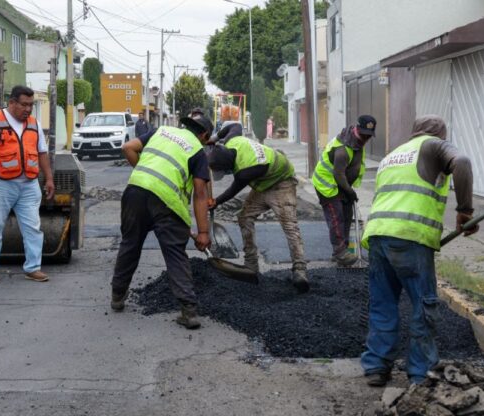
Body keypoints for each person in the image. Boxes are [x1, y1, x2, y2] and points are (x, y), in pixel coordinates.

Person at [360, 115, 477, 387]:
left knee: (383, 303)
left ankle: (377, 367)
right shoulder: (433, 146)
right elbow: (462, 162)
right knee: (423, 306)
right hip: (410, 237)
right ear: (439, 134)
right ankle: (420, 372)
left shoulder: (393, 155)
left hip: (378, 235)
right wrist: (465, 211)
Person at [110, 113, 213, 330]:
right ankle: (189, 311)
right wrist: (203, 231)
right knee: (175, 253)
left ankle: (117, 296)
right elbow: (200, 194)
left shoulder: (161, 131)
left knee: (130, 244)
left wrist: (145, 176)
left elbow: (128, 148)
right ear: (204, 135)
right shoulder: (197, 150)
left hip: (136, 191)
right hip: (167, 203)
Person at [207, 122, 308, 293]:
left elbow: (233, 190)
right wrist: (214, 139)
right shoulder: (233, 140)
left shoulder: (246, 170)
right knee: (244, 217)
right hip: (263, 183)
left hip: (281, 183)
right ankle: (251, 264)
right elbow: (235, 125)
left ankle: (300, 270)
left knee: (289, 226)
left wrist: (216, 201)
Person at [0, 86, 55, 284]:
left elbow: (42, 153)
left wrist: (48, 179)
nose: (28, 109)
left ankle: (33, 268)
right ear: (11, 102)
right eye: (24, 105)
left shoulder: (34, 124)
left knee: (33, 228)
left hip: (29, 184)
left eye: (30, 105)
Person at [312, 115, 376, 266]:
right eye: (363, 135)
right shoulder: (342, 148)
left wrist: (349, 190)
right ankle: (340, 252)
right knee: (337, 216)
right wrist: (350, 191)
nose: (365, 139)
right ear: (355, 129)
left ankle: (343, 250)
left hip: (341, 184)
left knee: (348, 214)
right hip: (327, 184)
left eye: (369, 136)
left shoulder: (358, 143)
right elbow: (338, 174)